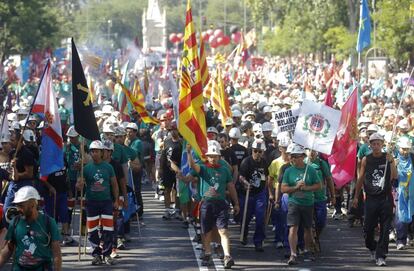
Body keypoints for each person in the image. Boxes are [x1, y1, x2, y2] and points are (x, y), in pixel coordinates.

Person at [178, 140, 239, 268]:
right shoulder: (203, 168)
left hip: (221, 204)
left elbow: (231, 186)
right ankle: (207, 253)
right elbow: (194, 167)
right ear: (207, 156)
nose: (212, 158)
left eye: (215, 156)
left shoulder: (224, 169)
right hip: (206, 204)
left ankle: (227, 255)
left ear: (219, 157)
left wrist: (236, 203)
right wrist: (189, 153)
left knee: (223, 230)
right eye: (210, 156)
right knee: (207, 231)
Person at [352, 133, 397, 266]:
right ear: (370, 145)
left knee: (385, 227)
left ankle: (381, 255)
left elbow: (394, 176)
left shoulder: (387, 157)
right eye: (374, 144)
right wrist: (355, 196)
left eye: (379, 144)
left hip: (385, 198)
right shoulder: (366, 159)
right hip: (371, 198)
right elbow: (360, 178)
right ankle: (372, 246)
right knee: (368, 228)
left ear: (382, 144)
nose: (376, 146)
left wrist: (392, 162)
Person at [76, 140, 119, 266]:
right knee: (92, 229)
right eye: (92, 151)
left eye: (97, 151)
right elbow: (80, 185)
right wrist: (79, 185)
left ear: (102, 153)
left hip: (106, 202)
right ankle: (96, 254)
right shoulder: (87, 168)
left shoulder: (108, 167)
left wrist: (116, 200)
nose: (94, 154)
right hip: (91, 202)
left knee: (108, 229)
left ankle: (107, 254)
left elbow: (114, 185)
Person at [0, 186, 62, 270]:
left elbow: (56, 252)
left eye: (21, 205)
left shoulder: (49, 222)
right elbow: (9, 248)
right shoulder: (15, 222)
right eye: (17, 205)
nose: (18, 209)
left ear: (32, 205)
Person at [281, 144, 322, 265]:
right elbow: (283, 188)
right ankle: (293, 253)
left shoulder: (311, 170)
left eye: (295, 156)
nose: (293, 159)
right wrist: (295, 187)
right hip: (294, 203)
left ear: (303, 157)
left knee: (308, 228)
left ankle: (308, 249)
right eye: (291, 156)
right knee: (293, 227)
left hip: (308, 203)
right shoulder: (288, 171)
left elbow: (319, 185)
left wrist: (307, 188)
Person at [239, 139, 269, 252]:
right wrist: (245, 183)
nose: (257, 153)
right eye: (255, 151)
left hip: (260, 193)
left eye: (260, 151)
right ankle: (244, 234)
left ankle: (258, 241)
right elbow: (241, 177)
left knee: (260, 218)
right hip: (248, 193)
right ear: (252, 150)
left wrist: (266, 191)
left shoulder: (264, 163)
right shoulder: (246, 162)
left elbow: (266, 177)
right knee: (245, 216)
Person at [394, 137, 414, 250]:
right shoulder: (394, 160)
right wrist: (393, 166)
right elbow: (392, 177)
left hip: (412, 192)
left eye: (407, 149)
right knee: (400, 215)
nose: (405, 151)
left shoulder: (413, 158)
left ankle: (410, 237)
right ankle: (400, 240)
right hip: (399, 191)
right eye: (403, 149)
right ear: (399, 148)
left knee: (412, 214)